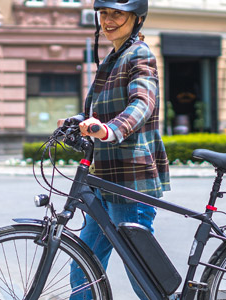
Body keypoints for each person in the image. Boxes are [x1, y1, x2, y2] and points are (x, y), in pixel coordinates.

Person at [68, 0, 170, 299]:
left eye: (117, 14)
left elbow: (142, 102)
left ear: (136, 19)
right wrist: (76, 123)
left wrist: (114, 129)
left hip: (129, 180)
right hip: (104, 180)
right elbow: (99, 111)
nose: (108, 20)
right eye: (104, 14)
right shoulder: (114, 57)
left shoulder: (139, 54)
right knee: (83, 264)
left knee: (144, 279)